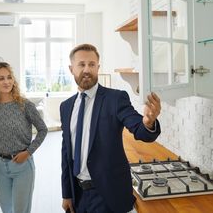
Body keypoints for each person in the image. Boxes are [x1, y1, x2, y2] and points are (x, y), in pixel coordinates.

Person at [61, 44, 161, 213]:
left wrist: (148, 121)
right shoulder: (66, 106)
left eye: (92, 64)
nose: (87, 69)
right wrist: (67, 194)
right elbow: (66, 153)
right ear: (71, 69)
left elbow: (138, 127)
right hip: (78, 195)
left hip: (108, 196)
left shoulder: (115, 98)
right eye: (81, 64)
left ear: (98, 67)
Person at [0, 62, 48, 213]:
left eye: (9, 77)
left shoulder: (24, 105)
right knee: (7, 210)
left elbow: (42, 129)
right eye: (1, 78)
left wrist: (28, 152)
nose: (6, 82)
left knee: (21, 210)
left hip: (22, 166)